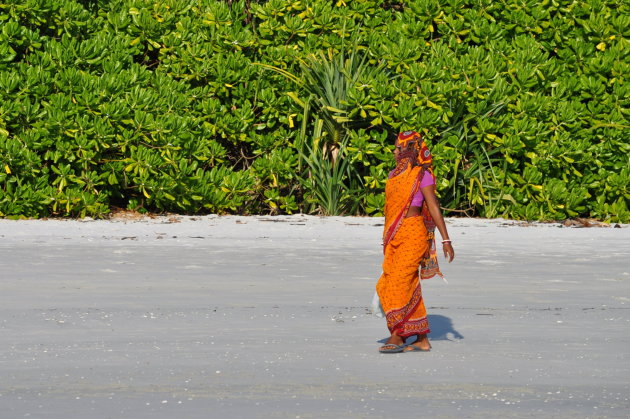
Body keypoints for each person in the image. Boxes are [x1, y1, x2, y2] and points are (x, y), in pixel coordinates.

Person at [376, 130, 455, 353]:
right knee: (391, 282)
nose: (395, 151)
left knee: (399, 282)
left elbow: (433, 207)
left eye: (399, 148)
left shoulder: (422, 175)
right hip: (394, 236)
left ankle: (397, 335)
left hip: (413, 233)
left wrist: (445, 239)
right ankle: (421, 338)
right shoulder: (394, 175)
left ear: (410, 150)